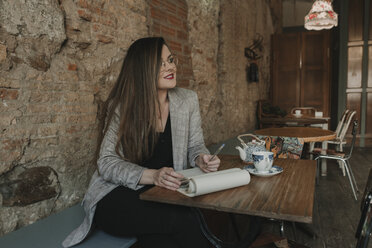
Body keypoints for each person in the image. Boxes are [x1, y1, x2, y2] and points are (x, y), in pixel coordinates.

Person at [62, 37, 220, 248]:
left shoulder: (187, 100)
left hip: (163, 195)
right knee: (183, 218)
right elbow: (107, 162)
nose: (170, 66)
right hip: (118, 196)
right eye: (160, 63)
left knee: (161, 241)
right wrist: (154, 176)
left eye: (170, 60)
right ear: (143, 68)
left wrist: (201, 158)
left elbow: (195, 145)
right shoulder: (122, 105)